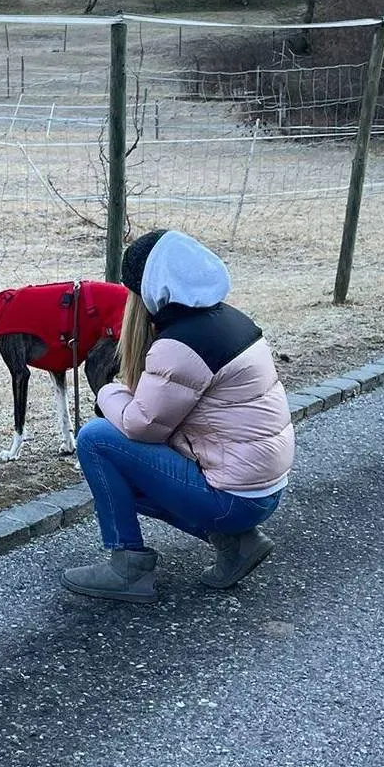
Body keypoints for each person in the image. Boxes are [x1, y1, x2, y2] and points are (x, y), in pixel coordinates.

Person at [61, 228, 295, 603]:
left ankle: (128, 567)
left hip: (235, 500)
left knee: (96, 440)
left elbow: (142, 425)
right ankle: (237, 543)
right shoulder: (228, 320)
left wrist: (105, 392)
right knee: (120, 466)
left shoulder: (181, 344)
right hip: (262, 491)